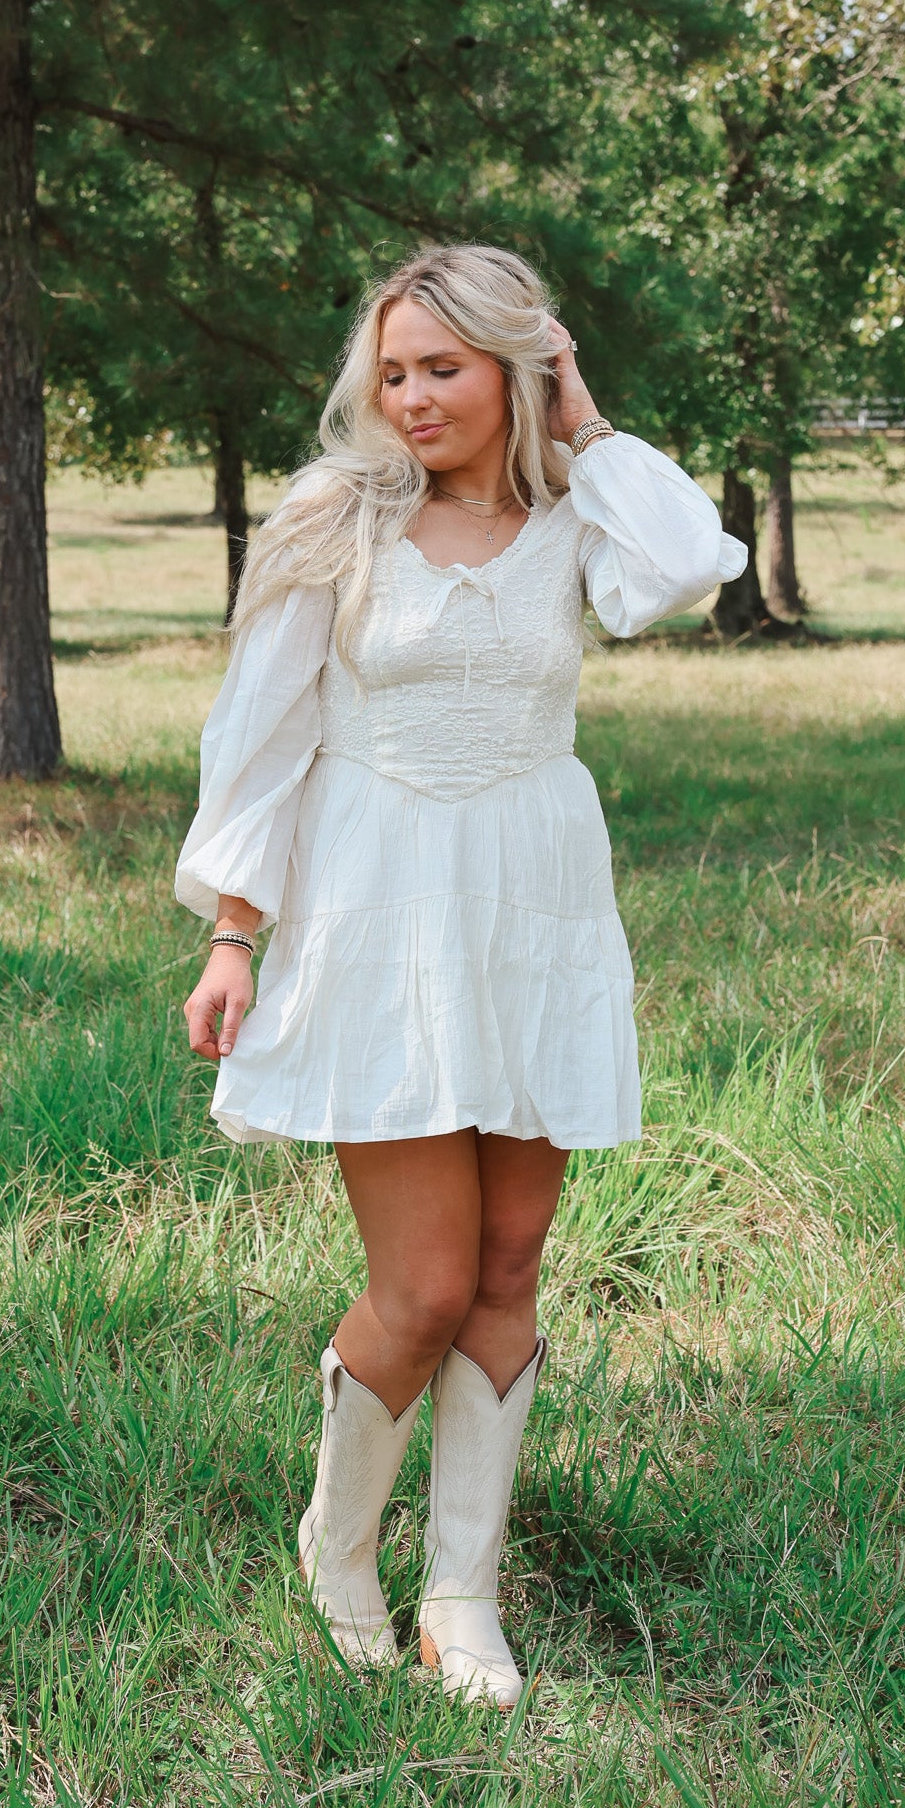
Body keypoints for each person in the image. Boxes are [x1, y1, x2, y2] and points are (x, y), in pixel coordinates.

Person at [176, 244, 746, 1705]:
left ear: (514, 370)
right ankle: (337, 1547)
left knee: (508, 1265)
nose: (413, 397)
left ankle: (462, 1595)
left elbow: (687, 564)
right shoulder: (332, 519)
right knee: (423, 1281)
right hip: (379, 914)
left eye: (445, 366)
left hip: (536, 912)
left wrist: (587, 423)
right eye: (394, 371)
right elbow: (264, 734)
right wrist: (236, 933)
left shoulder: (576, 531)